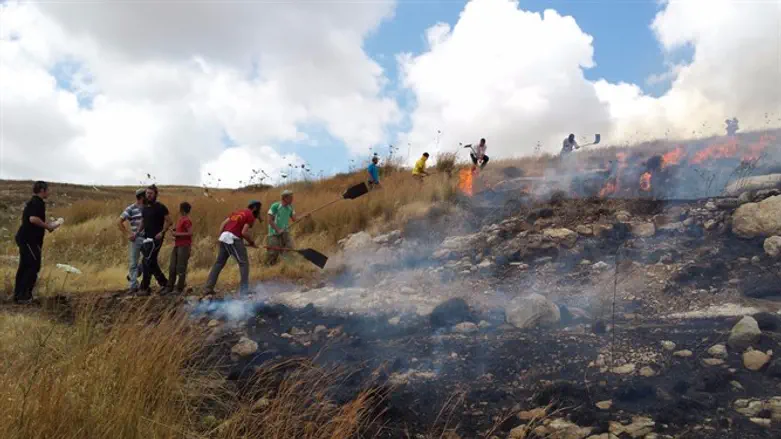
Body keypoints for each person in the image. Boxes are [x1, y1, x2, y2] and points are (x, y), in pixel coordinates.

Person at [14, 181, 60, 304]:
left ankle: (19, 295)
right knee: (33, 265)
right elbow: (33, 219)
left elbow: (34, 218)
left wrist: (48, 224)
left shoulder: (35, 202)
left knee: (25, 266)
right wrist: (48, 227)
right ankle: (24, 296)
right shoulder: (37, 202)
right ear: (42, 190)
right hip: (29, 239)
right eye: (47, 190)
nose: (49, 192)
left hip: (27, 239)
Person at [204, 201, 262, 295]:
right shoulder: (250, 215)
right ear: (255, 208)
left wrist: (222, 237)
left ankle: (208, 288)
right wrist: (252, 242)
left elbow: (223, 224)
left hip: (224, 237)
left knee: (219, 263)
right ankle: (244, 291)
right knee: (244, 263)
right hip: (233, 239)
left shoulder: (237, 212)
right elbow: (244, 232)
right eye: (259, 209)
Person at [137, 184, 172, 295]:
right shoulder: (145, 207)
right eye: (147, 193)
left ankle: (144, 287)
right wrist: (137, 233)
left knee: (147, 260)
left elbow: (169, 221)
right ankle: (165, 283)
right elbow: (143, 221)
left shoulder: (160, 207)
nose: (149, 195)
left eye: (151, 193)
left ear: (155, 194)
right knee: (150, 261)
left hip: (156, 238)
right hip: (146, 238)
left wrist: (162, 233)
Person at [118, 188, 146, 292]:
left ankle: (133, 276)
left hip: (148, 238)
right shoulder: (131, 208)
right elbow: (119, 222)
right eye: (146, 195)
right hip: (136, 239)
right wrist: (128, 234)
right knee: (133, 262)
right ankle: (133, 285)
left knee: (148, 261)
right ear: (142, 197)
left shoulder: (148, 208)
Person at [166, 201, 193, 294]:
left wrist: (177, 233)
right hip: (177, 245)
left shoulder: (186, 220)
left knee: (181, 267)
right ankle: (170, 287)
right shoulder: (181, 219)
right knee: (172, 266)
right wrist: (175, 230)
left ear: (182, 210)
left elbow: (190, 233)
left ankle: (179, 288)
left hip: (184, 246)